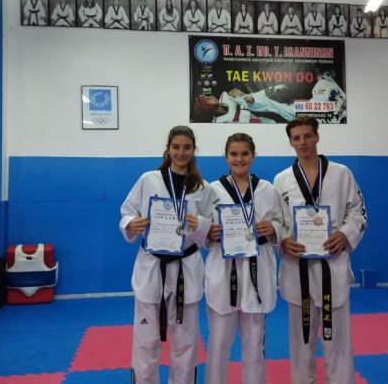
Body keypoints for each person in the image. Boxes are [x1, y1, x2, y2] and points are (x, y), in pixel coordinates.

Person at [273, 116, 367, 384]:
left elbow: (358, 212)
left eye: (307, 136)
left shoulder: (341, 173)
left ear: (317, 136)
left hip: (332, 263)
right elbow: (275, 219)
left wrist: (344, 234)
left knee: (338, 342)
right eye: (296, 138)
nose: (303, 142)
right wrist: (283, 239)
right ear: (290, 142)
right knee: (301, 343)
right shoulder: (281, 180)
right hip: (297, 267)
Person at [119, 126, 213, 383]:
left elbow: (209, 232)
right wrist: (130, 224)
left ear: (194, 150)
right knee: (146, 341)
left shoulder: (202, 187)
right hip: (152, 266)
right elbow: (127, 212)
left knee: (186, 342)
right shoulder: (148, 179)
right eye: (176, 147)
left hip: (186, 267)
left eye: (187, 147)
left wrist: (200, 224)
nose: (181, 153)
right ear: (168, 149)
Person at [204, 133, 282, 384]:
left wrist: (273, 228)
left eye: (245, 153)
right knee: (218, 344)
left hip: (257, 269)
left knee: (255, 345)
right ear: (225, 157)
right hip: (223, 268)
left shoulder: (267, 189)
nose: (239, 159)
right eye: (234, 154)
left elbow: (281, 222)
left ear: (253, 156)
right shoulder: (211, 190)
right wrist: (208, 232)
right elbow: (201, 229)